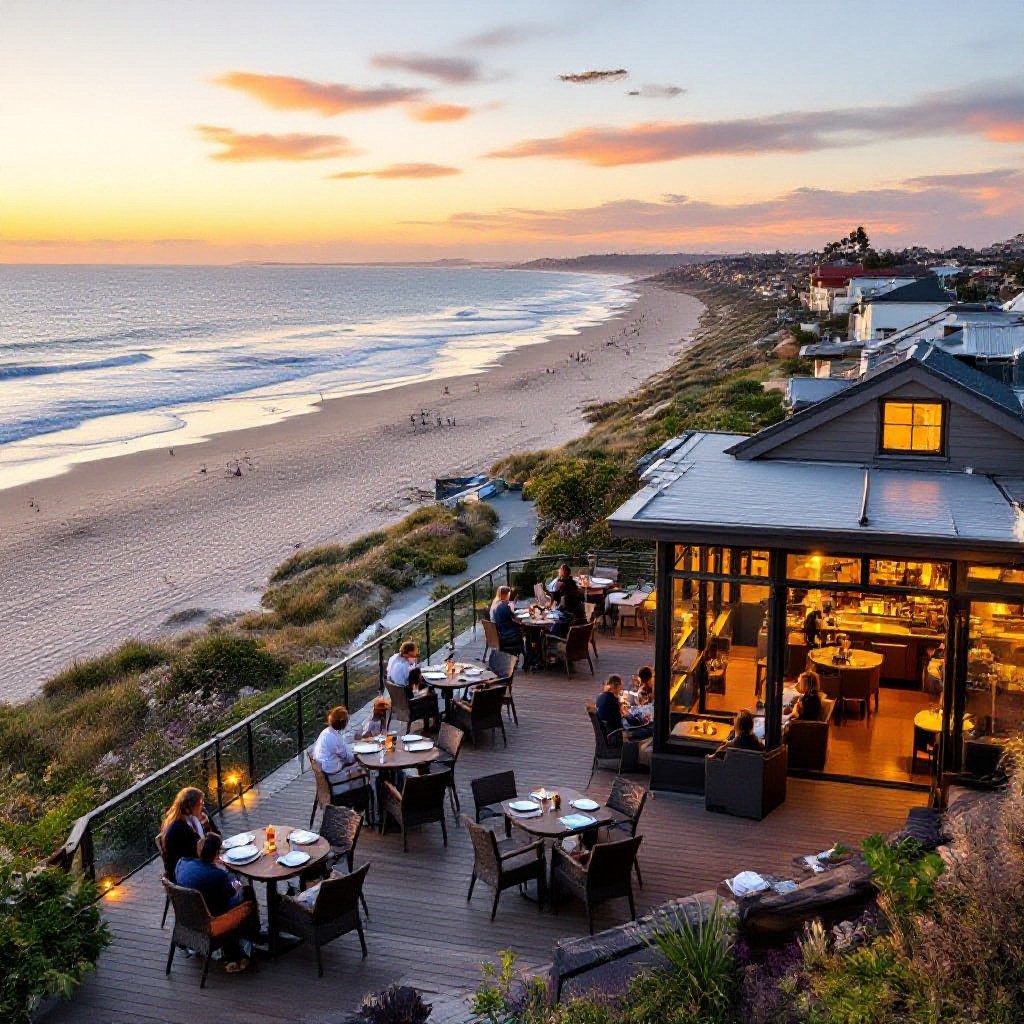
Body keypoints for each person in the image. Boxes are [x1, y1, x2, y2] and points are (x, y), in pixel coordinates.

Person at [175, 834, 258, 973]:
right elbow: (231, 893)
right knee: (247, 893)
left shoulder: (182, 864)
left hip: (187, 919)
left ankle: (237, 946)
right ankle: (253, 935)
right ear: (216, 854)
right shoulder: (217, 875)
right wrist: (233, 880)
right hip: (210, 921)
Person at [161, 787, 219, 881]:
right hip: (186, 873)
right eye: (200, 804)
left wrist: (207, 825)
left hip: (201, 861)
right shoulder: (179, 828)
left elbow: (217, 835)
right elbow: (197, 853)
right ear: (189, 808)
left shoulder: (200, 814)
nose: (203, 806)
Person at [312, 705, 367, 797]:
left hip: (327, 771)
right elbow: (348, 758)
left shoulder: (326, 732)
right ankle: (361, 803)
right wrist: (357, 753)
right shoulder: (335, 739)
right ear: (343, 723)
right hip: (335, 779)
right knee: (363, 770)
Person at [596, 675, 653, 741]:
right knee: (652, 731)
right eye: (621, 686)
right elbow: (625, 723)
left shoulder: (601, 696)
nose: (622, 688)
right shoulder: (613, 700)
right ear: (617, 686)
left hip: (608, 731)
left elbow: (614, 714)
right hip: (617, 734)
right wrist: (627, 714)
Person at [490, 587, 525, 656]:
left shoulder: (496, 604)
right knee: (524, 631)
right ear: (505, 595)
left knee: (520, 628)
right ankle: (527, 656)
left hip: (499, 632)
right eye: (508, 594)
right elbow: (514, 618)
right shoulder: (504, 606)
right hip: (506, 634)